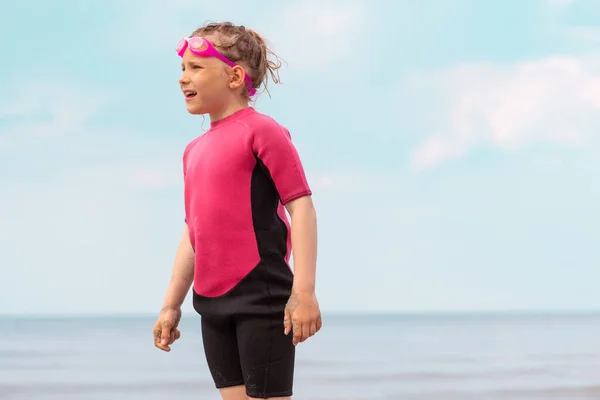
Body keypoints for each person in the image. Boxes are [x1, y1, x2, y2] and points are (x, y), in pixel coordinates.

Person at [151, 21, 322, 400]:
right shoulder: (192, 152)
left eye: (196, 68)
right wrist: (170, 305)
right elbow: (192, 234)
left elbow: (302, 207)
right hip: (211, 304)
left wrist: (304, 292)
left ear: (234, 76)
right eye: (182, 69)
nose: (183, 78)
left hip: (261, 296)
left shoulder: (262, 131)